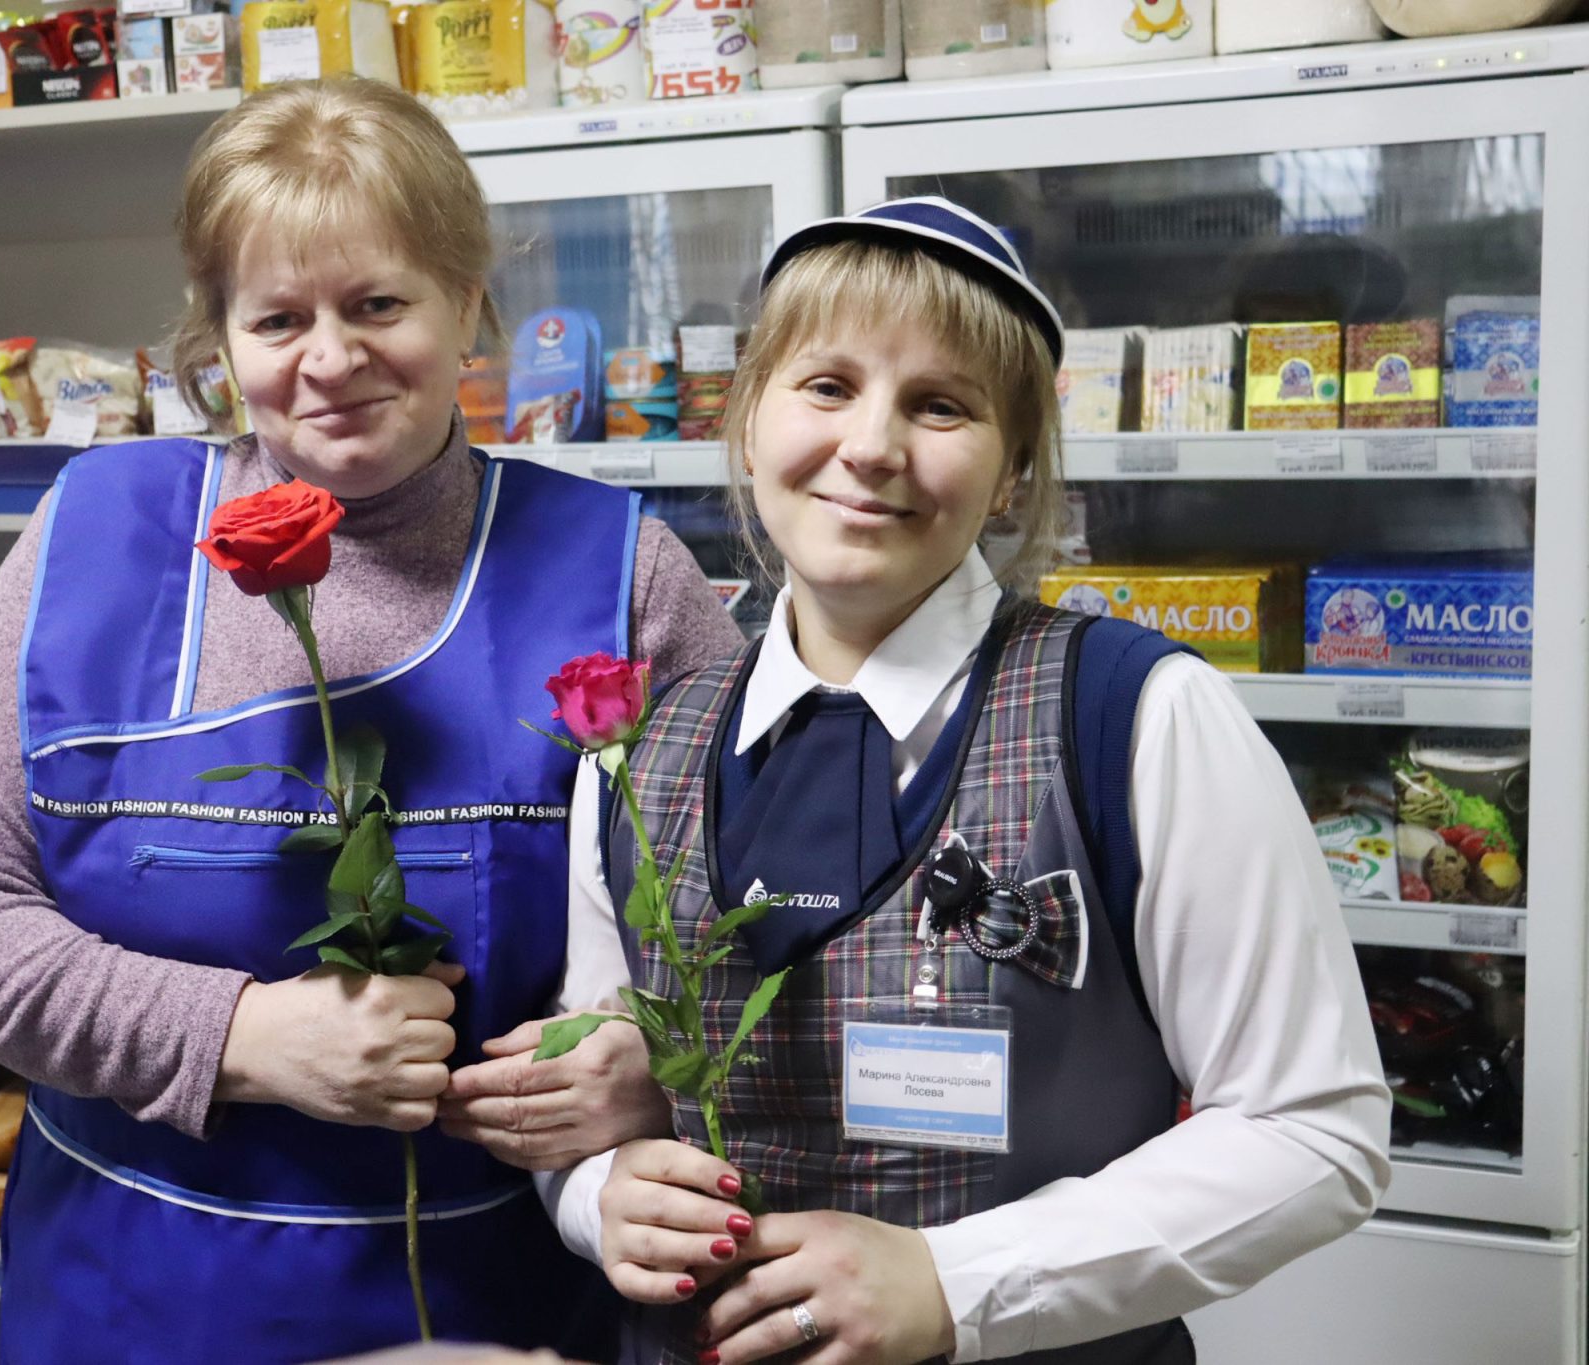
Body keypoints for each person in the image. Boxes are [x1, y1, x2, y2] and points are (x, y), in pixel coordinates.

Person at [0, 78, 741, 1363]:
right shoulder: (93, 536)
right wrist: (239, 1036)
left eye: (377, 303)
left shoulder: (622, 575)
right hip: (130, 1299)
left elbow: (762, 922)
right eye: (277, 316)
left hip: (496, 1307)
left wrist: (647, 1057)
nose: (328, 360)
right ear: (219, 339)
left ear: (466, 306)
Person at [543, 198, 1393, 1363]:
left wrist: (957, 1280)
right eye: (826, 386)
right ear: (746, 423)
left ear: (1011, 473)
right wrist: (595, 1200)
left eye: (939, 405)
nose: (873, 446)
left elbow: (1313, 1129)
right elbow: (601, 1093)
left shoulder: (1139, 716)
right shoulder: (635, 751)